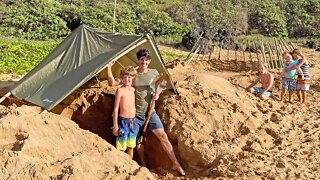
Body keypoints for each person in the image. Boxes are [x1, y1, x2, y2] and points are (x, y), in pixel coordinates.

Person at [107, 48, 185, 176]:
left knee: (163, 136)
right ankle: (143, 167)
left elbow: (162, 84)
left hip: (150, 112)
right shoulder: (133, 74)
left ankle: (175, 163)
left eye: (146, 59)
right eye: (141, 59)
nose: (144, 62)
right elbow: (112, 83)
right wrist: (109, 67)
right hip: (134, 116)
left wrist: (158, 94)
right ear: (138, 60)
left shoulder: (154, 73)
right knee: (136, 143)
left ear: (149, 61)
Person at [112, 66, 138, 159]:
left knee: (131, 146)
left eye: (129, 77)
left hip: (133, 121)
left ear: (133, 78)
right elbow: (115, 109)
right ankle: (120, 165)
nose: (127, 79)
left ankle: (130, 165)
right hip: (123, 122)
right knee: (121, 146)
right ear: (122, 78)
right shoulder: (120, 90)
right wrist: (115, 126)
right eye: (125, 77)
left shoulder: (133, 90)